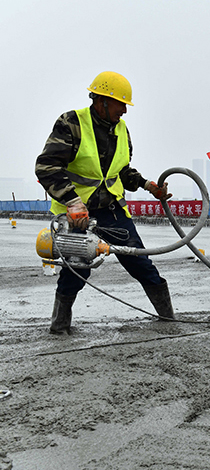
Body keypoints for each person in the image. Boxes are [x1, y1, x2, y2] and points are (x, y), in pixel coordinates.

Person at [35, 71, 174, 335]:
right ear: (102, 101)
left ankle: (169, 318)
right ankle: (59, 327)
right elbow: (46, 166)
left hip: (111, 212)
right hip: (78, 215)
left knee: (141, 263)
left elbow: (121, 171)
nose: (124, 110)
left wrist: (148, 186)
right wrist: (73, 202)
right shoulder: (72, 123)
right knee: (76, 271)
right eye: (121, 104)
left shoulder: (121, 130)